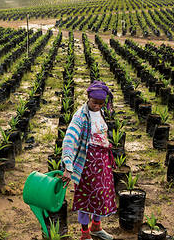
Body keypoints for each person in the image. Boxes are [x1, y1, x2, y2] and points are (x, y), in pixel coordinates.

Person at [61, 80, 116, 240]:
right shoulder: (80, 116)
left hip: (102, 160)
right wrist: (68, 165)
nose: (98, 106)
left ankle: (96, 227)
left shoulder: (101, 112)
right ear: (88, 98)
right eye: (95, 103)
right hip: (87, 162)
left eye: (101, 103)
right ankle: (85, 234)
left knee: (102, 195)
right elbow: (69, 139)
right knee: (86, 197)